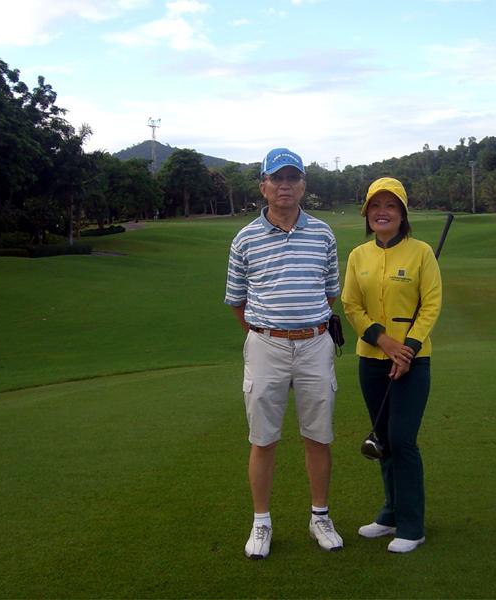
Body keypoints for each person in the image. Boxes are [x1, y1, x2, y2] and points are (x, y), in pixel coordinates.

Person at [225, 147, 343, 559]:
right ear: (264, 186)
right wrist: (267, 333)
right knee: (263, 440)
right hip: (265, 345)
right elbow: (237, 301)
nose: (285, 185)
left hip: (315, 344)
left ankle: (319, 517)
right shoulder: (244, 239)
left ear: (303, 186)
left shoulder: (323, 234)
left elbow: (330, 293)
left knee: (318, 437)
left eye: (293, 178)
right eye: (277, 178)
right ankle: (261, 522)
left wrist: (302, 329)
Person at [341, 177, 442, 554]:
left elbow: (431, 304)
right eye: (375, 205)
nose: (382, 212)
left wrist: (408, 349)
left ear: (402, 214)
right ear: (367, 213)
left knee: (401, 439)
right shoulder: (358, 256)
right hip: (371, 360)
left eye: (391, 206)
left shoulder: (421, 253)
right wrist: (383, 341)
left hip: (413, 362)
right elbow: (351, 306)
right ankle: (391, 513)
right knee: (383, 438)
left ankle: (412, 525)